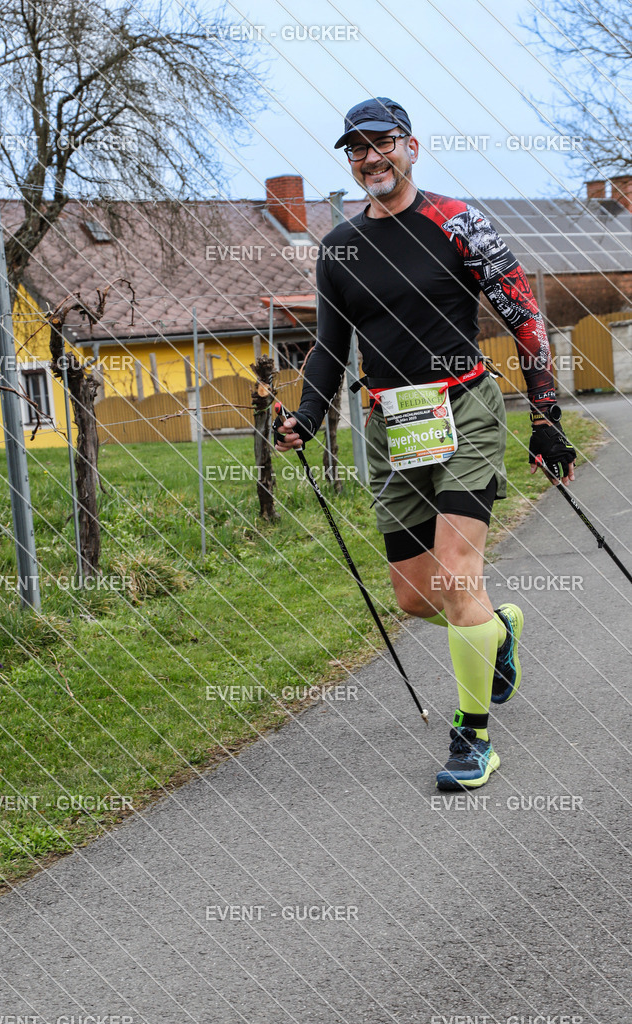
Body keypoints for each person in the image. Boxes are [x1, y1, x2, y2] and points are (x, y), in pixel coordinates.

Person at [274, 97, 576, 790]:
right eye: (356, 149)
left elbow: (525, 319)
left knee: (455, 570)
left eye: (381, 144)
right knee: (414, 597)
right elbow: (329, 346)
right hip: (390, 425)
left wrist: (547, 416)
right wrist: (307, 418)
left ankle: (472, 739)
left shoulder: (459, 222)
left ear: (411, 147)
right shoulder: (340, 248)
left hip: (464, 408)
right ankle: (494, 630)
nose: (369, 158)